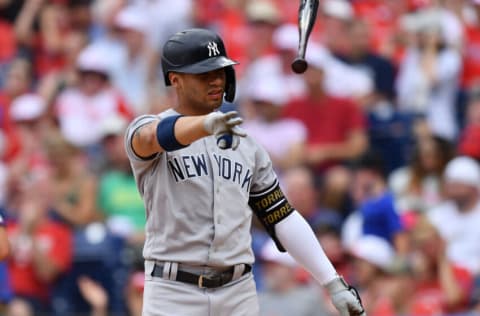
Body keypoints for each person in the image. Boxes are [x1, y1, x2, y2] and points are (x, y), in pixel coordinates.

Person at [124, 28, 365, 316]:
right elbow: (151, 138)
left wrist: (332, 282)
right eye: (203, 74)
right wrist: (205, 126)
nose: (216, 80)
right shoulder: (147, 127)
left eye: (220, 71)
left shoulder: (246, 144)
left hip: (237, 291)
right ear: (175, 80)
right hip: (173, 290)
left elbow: (281, 216)